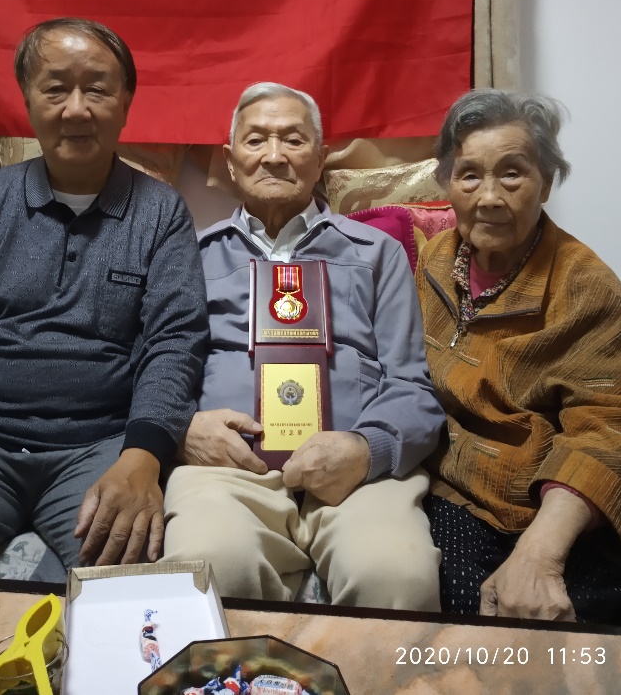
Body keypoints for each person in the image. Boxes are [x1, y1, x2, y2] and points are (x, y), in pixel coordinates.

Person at [0, 17, 208, 577]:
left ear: (126, 103)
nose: (76, 109)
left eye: (96, 89)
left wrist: (142, 457)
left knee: (121, 589)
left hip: (99, 448)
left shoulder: (161, 213)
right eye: (55, 89)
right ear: (27, 100)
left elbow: (175, 343)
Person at [161, 82, 444, 609]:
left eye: (293, 140)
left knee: (395, 574)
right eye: (256, 140)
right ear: (230, 161)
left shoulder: (377, 254)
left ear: (321, 158)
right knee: (209, 565)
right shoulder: (189, 257)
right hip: (227, 476)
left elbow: (412, 385)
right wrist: (183, 429)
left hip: (358, 478)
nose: (274, 155)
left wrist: (367, 450)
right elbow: (157, 370)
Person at [416, 88, 621, 624]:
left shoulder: (587, 288)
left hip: (553, 508)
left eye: (512, 174)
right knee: (444, 606)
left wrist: (540, 554)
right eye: (470, 175)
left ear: (547, 181)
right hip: (450, 492)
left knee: (552, 629)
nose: (489, 196)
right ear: (447, 183)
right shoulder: (435, 260)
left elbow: (609, 429)